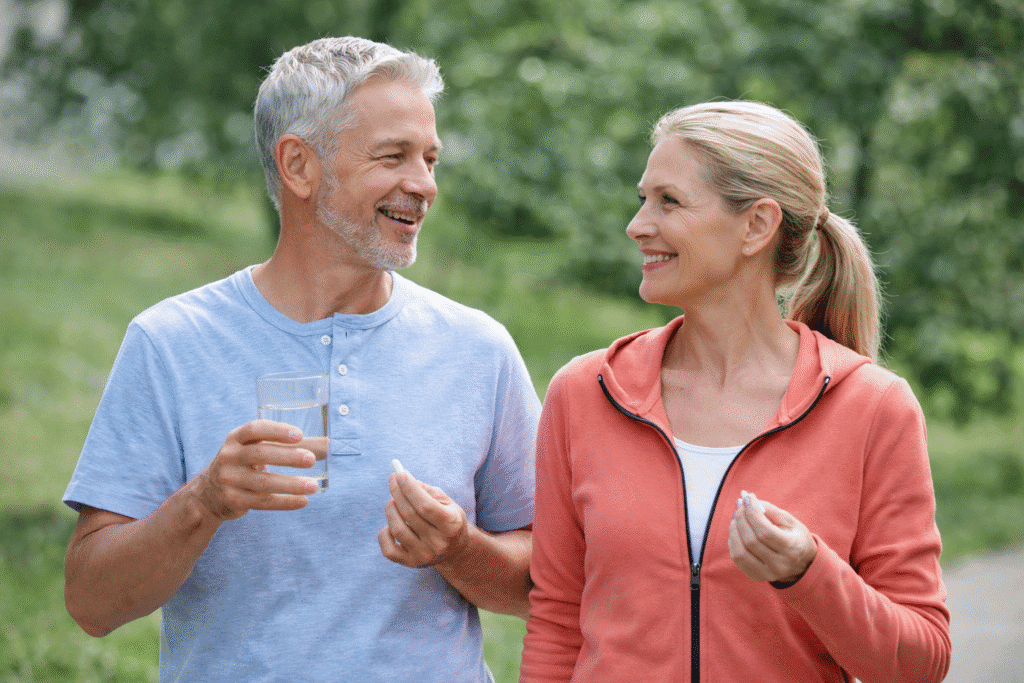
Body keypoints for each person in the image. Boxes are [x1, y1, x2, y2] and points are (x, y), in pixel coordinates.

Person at [63, 36, 540, 683]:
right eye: (393, 156)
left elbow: (548, 584)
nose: (424, 184)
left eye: (430, 158)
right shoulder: (170, 342)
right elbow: (91, 603)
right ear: (299, 165)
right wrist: (203, 501)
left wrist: (461, 550)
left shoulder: (478, 349)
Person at [520, 101, 950, 682]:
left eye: (668, 201)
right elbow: (556, 622)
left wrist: (809, 573)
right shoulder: (584, 393)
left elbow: (919, 662)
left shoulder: (874, 408)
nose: (638, 224)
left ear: (757, 226)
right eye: (643, 198)